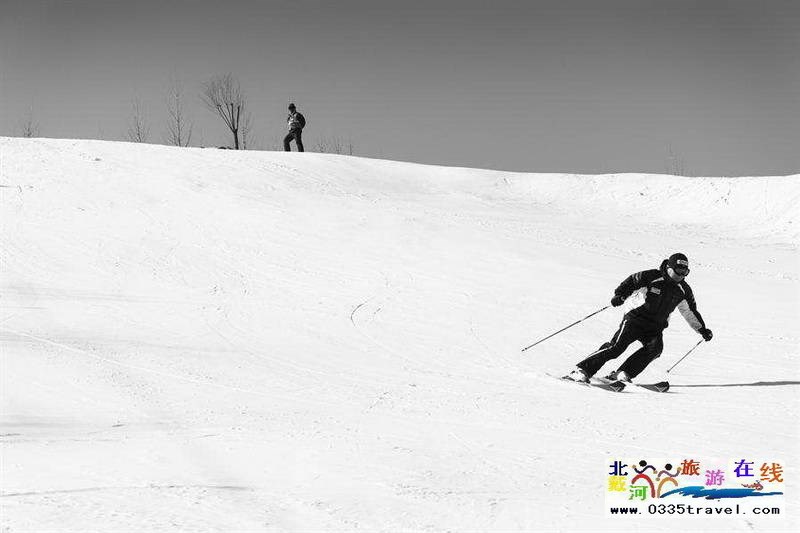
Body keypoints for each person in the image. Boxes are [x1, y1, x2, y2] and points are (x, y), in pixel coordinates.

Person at [565, 253, 713, 383]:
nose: (681, 275)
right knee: (616, 347)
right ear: (669, 267)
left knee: (655, 349)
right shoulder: (652, 276)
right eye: (679, 270)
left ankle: (622, 374)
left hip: (655, 326)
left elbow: (690, 311)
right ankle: (582, 371)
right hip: (635, 319)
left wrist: (701, 329)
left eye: (685, 271)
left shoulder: (683, 290)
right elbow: (632, 281)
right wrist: (620, 295)